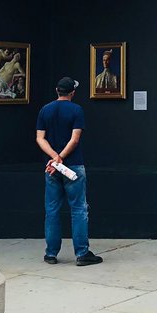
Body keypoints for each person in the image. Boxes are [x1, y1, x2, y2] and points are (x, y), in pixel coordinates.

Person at [35, 76, 101, 266]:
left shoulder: (45, 110)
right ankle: (82, 253)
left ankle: (51, 253)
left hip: (52, 169)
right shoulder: (76, 110)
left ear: (57, 90)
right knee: (79, 209)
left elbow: (40, 138)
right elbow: (74, 139)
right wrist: (61, 157)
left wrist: (54, 158)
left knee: (52, 210)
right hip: (73, 166)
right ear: (72, 92)